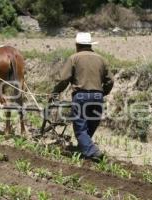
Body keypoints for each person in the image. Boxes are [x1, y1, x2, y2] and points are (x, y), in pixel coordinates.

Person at [50, 32, 114, 162]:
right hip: (97, 96)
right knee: (92, 123)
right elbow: (110, 81)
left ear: (77, 45)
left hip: (81, 96)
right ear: (90, 44)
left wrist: (55, 93)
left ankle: (92, 151)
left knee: (80, 128)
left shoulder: (74, 58)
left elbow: (63, 79)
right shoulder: (102, 59)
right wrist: (102, 93)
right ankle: (84, 148)